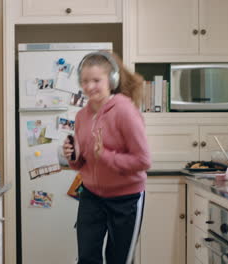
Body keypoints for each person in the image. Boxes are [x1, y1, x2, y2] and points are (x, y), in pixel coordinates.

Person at [63, 51, 151, 264]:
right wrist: (73, 156)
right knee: (86, 258)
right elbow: (83, 162)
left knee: (118, 260)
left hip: (126, 199)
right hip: (92, 196)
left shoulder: (125, 111)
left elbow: (143, 161)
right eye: (85, 81)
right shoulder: (81, 115)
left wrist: (106, 156)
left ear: (112, 80)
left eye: (96, 80)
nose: (89, 86)